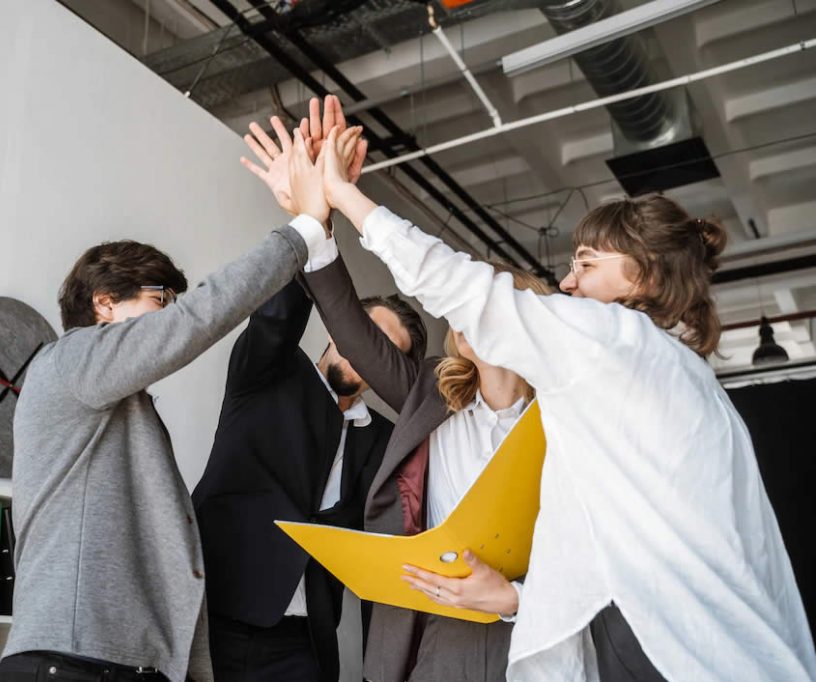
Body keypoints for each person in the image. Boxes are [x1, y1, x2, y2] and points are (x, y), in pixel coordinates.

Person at [287, 118, 816, 680]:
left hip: (662, 645)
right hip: (628, 635)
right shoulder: (642, 387)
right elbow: (602, 555)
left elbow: (465, 288)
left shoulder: (619, 344)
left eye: (587, 264)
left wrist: (341, 193)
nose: (569, 284)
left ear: (647, 278)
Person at [0, 217, 332, 682]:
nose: (171, 313)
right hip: (76, 660)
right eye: (160, 300)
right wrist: (303, 233)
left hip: (114, 660)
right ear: (105, 303)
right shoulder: (70, 360)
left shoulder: (112, 400)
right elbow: (196, 320)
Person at [195, 98, 427, 682]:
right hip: (217, 613)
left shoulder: (387, 442)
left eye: (384, 351)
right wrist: (316, 214)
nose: (363, 351)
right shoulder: (270, 372)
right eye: (361, 331)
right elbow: (276, 314)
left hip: (306, 642)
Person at [304, 251, 551, 682]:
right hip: (425, 627)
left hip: (520, 629)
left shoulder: (561, 420)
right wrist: (315, 232)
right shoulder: (430, 392)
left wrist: (517, 599)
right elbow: (353, 332)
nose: (464, 315)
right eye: (462, 304)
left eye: (483, 305)